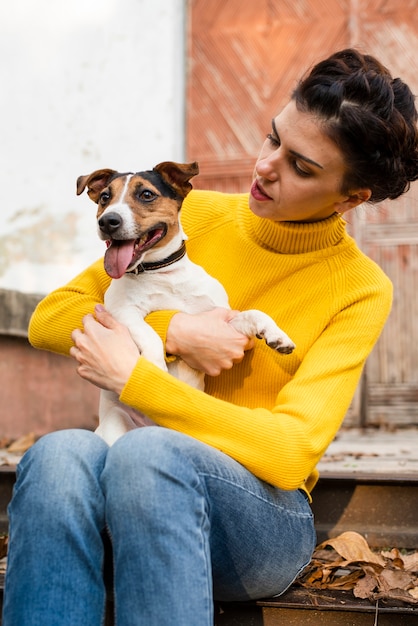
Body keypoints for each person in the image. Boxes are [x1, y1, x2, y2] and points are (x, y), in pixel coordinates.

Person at [3, 48, 418, 626]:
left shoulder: (360, 287)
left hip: (258, 518)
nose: (265, 166)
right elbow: (51, 317)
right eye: (272, 138)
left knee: (149, 453)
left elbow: (289, 451)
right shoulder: (183, 215)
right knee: (56, 455)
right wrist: (176, 331)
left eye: (300, 166)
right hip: (137, 480)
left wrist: (137, 379)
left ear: (351, 199)